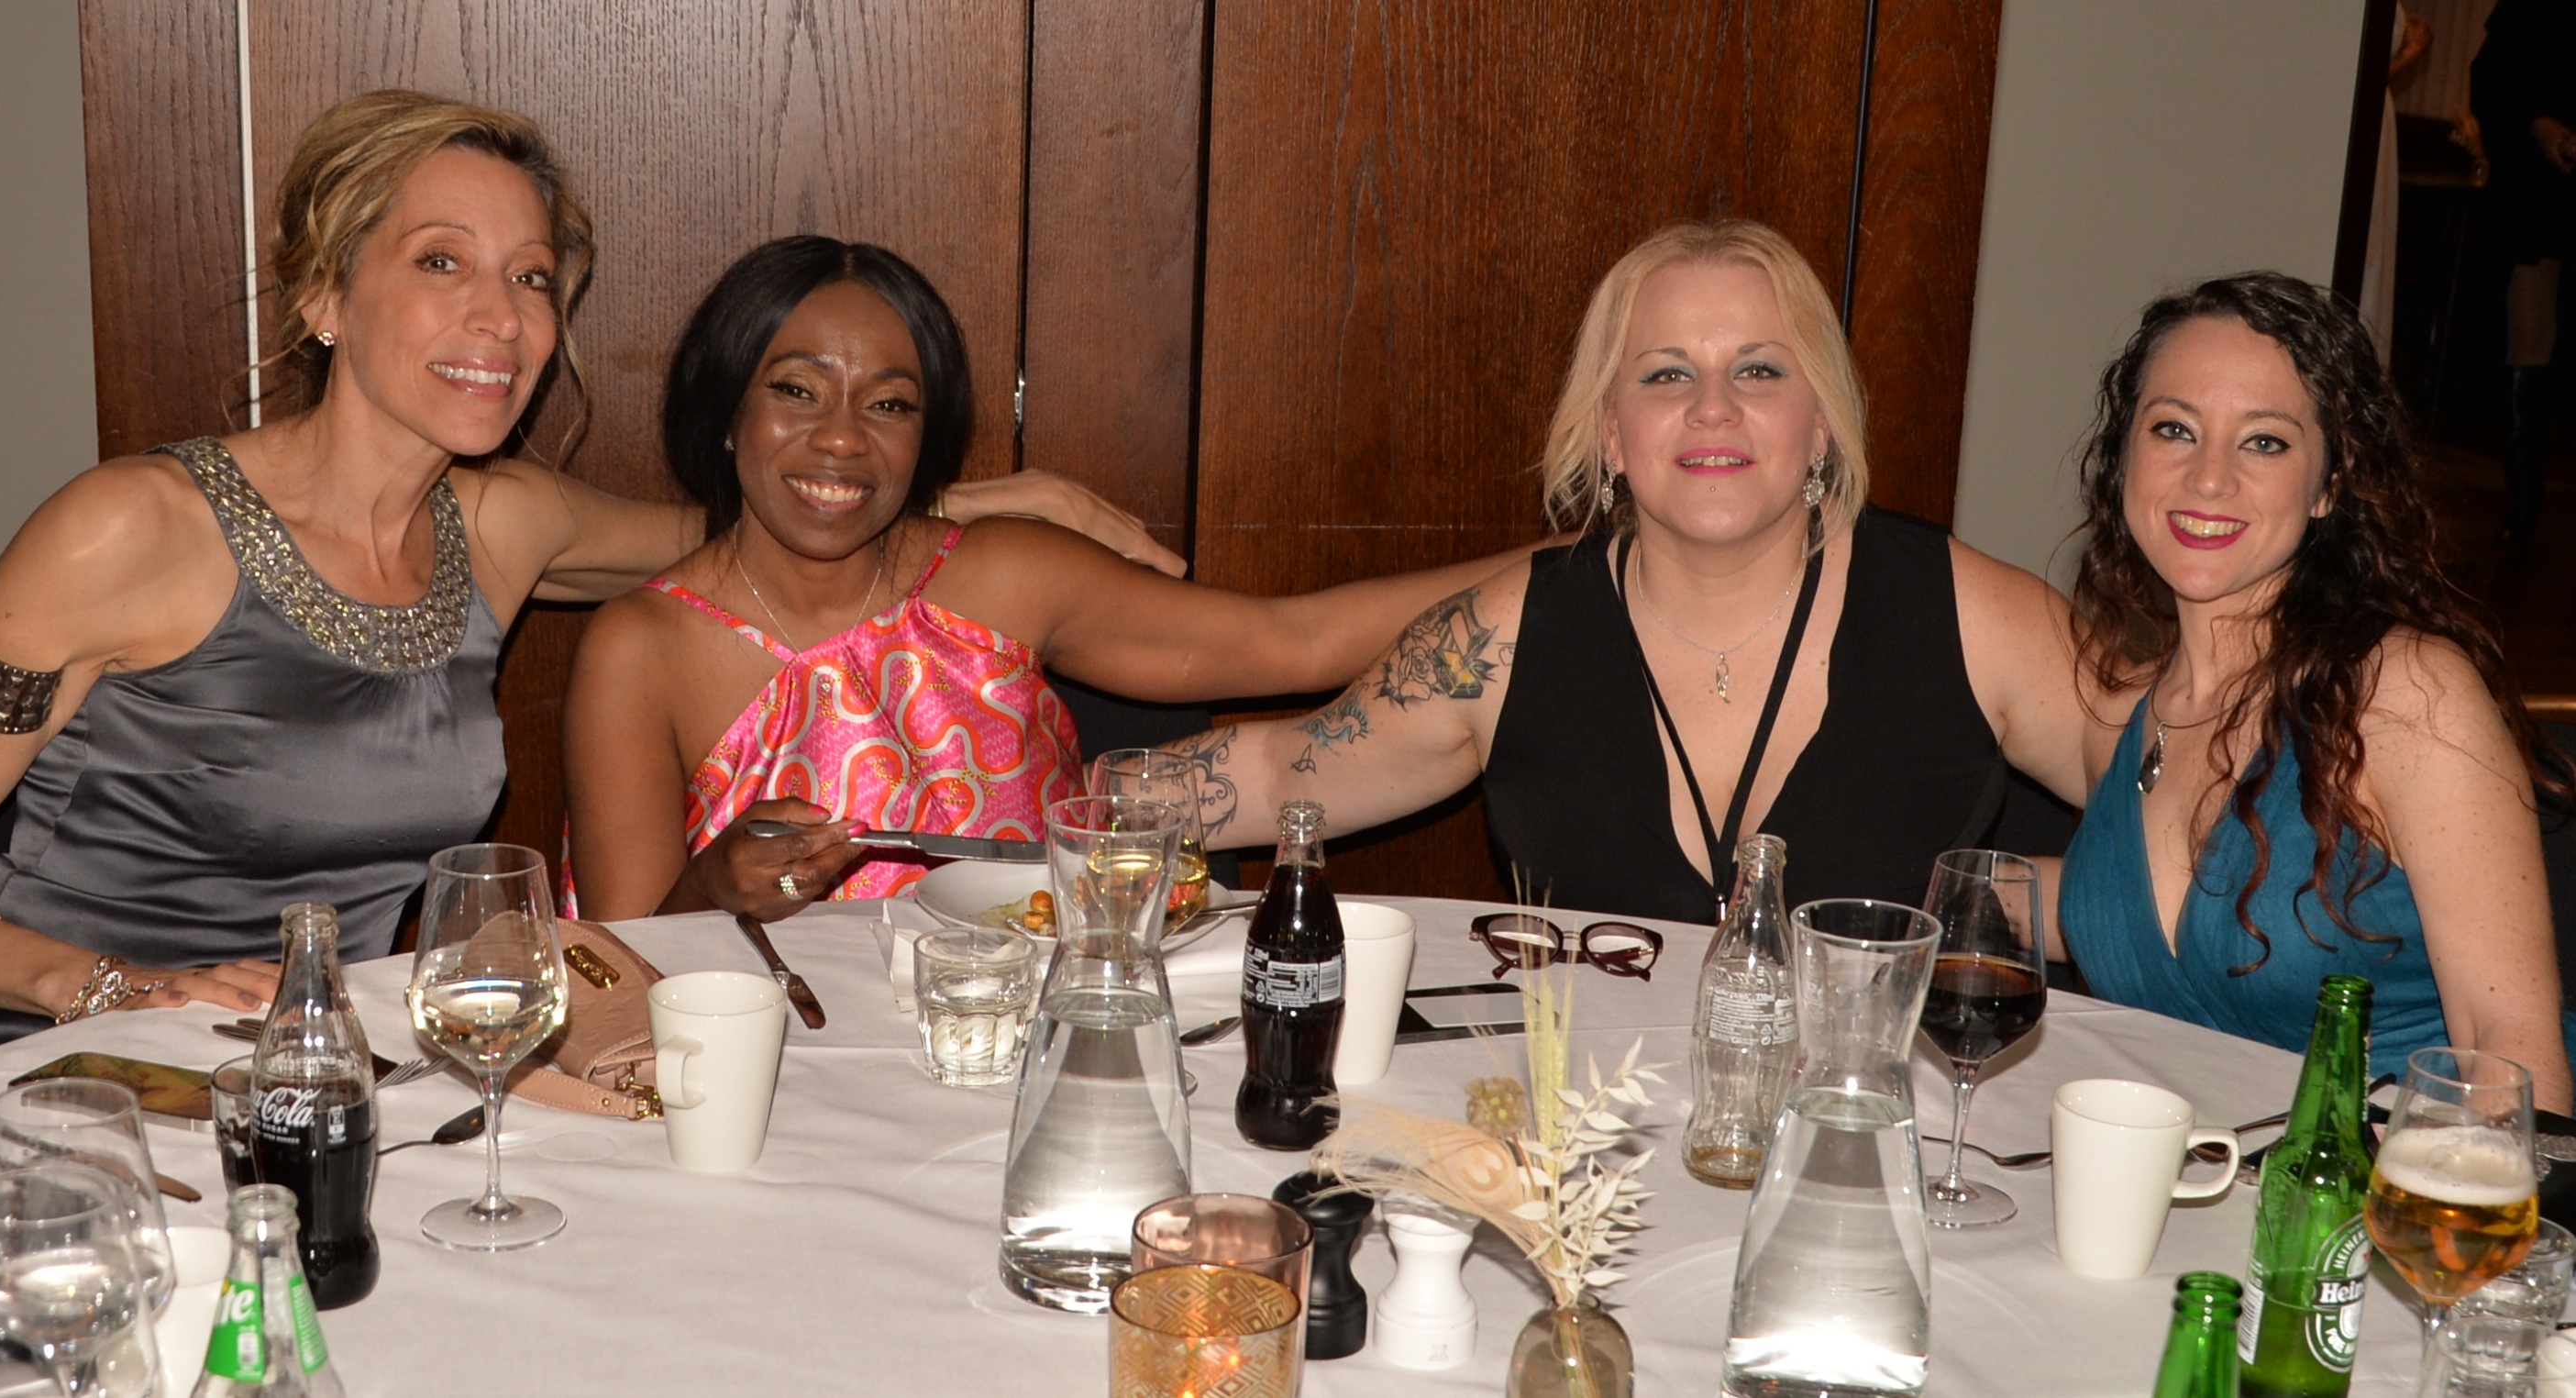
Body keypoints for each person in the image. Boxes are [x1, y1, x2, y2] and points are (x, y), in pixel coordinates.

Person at [0, 90, 1178, 1073]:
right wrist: (114, 988)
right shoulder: (130, 527)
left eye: (530, 278)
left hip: (312, 1074)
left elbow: (752, 525)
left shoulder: (504, 522)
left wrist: (963, 503)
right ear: (324, 298)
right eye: (440, 263)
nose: (501, 317)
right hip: (36, 1067)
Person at [561, 236, 1539, 922]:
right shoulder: (641, 649)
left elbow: (1299, 641)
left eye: (890, 405)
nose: (843, 439)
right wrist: (714, 890)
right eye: (795, 391)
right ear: (725, 412)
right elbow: (622, 958)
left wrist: (1583, 564)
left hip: (1044, 1034)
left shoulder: (1004, 575)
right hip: (787, 1069)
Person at [1154, 220, 2088, 925]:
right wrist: (1073, 802)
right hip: (1593, 1117)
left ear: (1820, 425)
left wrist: (1989, 908)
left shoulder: (1974, 617)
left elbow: (2166, 823)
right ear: (1609, 433)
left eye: (1759, 371)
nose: (1712, 407)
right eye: (1665, 375)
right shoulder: (1505, 640)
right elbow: (1279, 773)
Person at [2053, 272, 2574, 1110]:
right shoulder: (2132, 713)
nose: (2208, 478)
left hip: (2409, 1178)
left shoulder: (2402, 693)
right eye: (2174, 429)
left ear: (2330, 484)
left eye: (2263, 442)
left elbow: (2509, 1051)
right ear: (2123, 460)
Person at [2471, 0, 2575, 558]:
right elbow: (2491, 80)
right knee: (2530, 343)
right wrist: (2540, 124)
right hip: (2541, 203)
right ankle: (2524, 507)